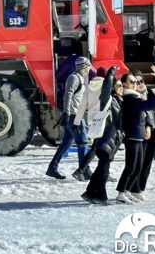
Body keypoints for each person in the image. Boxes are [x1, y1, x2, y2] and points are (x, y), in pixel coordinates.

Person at [116, 73, 155, 204]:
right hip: (132, 135)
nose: (135, 84)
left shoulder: (136, 95)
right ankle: (121, 192)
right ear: (125, 84)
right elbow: (143, 106)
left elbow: (145, 107)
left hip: (139, 134)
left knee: (137, 167)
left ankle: (127, 191)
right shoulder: (129, 96)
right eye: (132, 82)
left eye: (137, 82)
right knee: (131, 166)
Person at [46, 57, 92, 180]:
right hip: (74, 115)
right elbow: (68, 96)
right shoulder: (74, 78)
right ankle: (84, 170)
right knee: (83, 142)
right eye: (88, 66)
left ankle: (52, 168)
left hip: (75, 114)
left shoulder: (80, 78)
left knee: (66, 143)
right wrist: (66, 113)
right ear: (83, 66)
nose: (89, 68)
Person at [81, 70, 122, 205]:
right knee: (104, 168)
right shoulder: (108, 99)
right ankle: (101, 196)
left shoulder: (119, 100)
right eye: (119, 85)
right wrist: (110, 75)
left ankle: (90, 192)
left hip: (111, 139)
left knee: (102, 167)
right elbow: (105, 90)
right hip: (105, 138)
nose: (121, 88)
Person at [73, 66, 117, 182]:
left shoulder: (88, 88)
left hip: (93, 120)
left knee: (98, 147)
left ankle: (90, 171)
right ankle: (83, 170)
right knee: (101, 148)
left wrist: (77, 122)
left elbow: (82, 107)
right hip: (104, 120)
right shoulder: (105, 86)